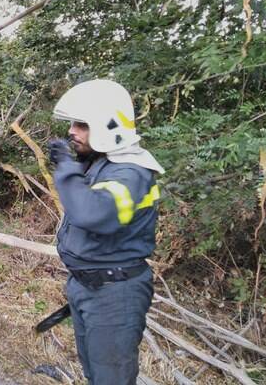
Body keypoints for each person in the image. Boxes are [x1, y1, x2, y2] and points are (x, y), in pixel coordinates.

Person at [48, 79, 165, 385]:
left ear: (110, 127)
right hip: (89, 286)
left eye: (82, 124)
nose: (72, 131)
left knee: (111, 378)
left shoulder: (131, 172)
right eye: (73, 123)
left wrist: (65, 168)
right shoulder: (103, 163)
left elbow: (92, 213)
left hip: (114, 295)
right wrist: (74, 164)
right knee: (94, 372)